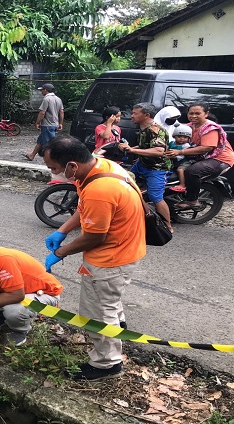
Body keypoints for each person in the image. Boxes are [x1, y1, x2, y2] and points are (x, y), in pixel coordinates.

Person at [40, 135, 145, 381]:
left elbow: (95, 237)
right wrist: (62, 229)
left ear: (72, 165)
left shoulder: (100, 188)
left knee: (96, 311)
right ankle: (118, 330)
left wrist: (59, 253)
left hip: (110, 259)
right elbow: (84, 208)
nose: (54, 174)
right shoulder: (100, 167)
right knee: (109, 300)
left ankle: (106, 363)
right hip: (126, 249)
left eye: (55, 169)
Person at [167, 103, 234, 210]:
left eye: (197, 113)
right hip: (201, 156)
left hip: (220, 159)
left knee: (192, 171)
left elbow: (207, 148)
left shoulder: (210, 128)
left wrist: (180, 152)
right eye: (191, 113)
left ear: (206, 114)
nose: (194, 116)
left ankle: (192, 200)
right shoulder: (189, 127)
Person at [118, 103, 173, 232]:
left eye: (135, 113)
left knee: (155, 197)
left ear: (146, 115)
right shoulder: (144, 127)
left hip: (157, 168)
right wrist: (129, 147)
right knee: (124, 182)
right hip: (142, 164)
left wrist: (132, 150)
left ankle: (167, 226)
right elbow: (145, 146)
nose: (132, 116)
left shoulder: (155, 130)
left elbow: (159, 151)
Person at [23, 83, 64, 161]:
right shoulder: (58, 99)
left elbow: (42, 112)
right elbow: (61, 112)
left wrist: (38, 122)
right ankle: (32, 155)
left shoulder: (46, 99)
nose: (41, 92)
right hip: (54, 124)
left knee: (49, 144)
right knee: (40, 141)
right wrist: (60, 123)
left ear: (45, 90)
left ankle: (55, 159)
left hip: (47, 125)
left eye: (42, 90)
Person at [168, 125, 193, 193]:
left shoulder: (186, 146)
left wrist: (174, 156)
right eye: (179, 136)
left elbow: (182, 156)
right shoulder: (171, 143)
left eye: (185, 137)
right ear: (174, 136)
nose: (182, 138)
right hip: (173, 161)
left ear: (188, 138)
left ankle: (182, 185)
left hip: (184, 162)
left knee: (180, 170)